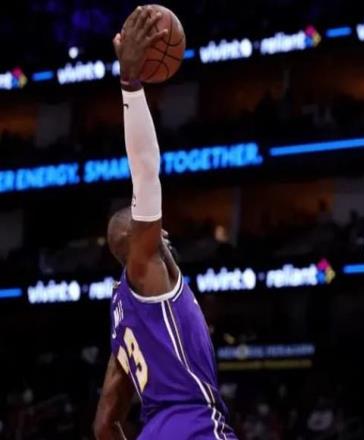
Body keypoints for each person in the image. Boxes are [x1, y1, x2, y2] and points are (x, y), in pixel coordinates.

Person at [93, 7, 237, 439]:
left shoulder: (122, 320)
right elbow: (145, 171)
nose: (163, 231)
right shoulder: (145, 269)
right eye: (153, 229)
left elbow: (104, 424)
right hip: (196, 426)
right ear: (141, 238)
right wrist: (131, 84)